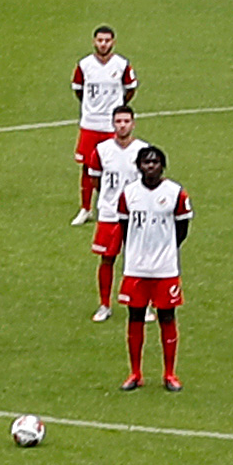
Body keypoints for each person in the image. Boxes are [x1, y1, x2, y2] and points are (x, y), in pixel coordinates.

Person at [113, 144, 193, 391]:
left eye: (156, 162)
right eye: (146, 162)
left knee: (167, 317)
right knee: (134, 317)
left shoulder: (176, 193)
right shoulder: (128, 194)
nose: (151, 166)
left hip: (165, 270)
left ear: (163, 165)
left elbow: (182, 229)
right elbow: (125, 228)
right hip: (136, 268)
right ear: (138, 167)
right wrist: (138, 251)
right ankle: (135, 373)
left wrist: (165, 250)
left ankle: (169, 374)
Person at [69, 25, 135, 223]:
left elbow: (130, 89)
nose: (103, 44)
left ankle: (121, 205)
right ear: (94, 41)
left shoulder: (122, 65)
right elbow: (78, 90)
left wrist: (118, 107)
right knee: (87, 166)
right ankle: (86, 208)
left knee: (115, 164)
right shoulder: (84, 65)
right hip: (90, 123)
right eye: (100, 40)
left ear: (113, 42)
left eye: (107, 40)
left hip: (110, 125)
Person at [86, 106, 143, 322]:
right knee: (107, 258)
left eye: (126, 121)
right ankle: (104, 304)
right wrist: (110, 200)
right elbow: (95, 180)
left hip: (137, 215)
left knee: (137, 259)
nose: (122, 125)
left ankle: (141, 304)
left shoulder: (142, 150)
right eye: (118, 121)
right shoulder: (102, 150)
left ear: (133, 123)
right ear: (113, 124)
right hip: (109, 214)